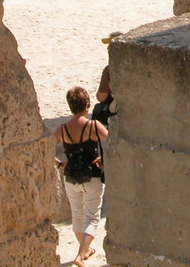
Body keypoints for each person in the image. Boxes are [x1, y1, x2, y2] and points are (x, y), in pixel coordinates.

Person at [56, 86, 108, 267]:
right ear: (87, 105)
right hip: (92, 175)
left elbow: (45, 148)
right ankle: (81, 254)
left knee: (77, 214)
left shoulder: (62, 129)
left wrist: (60, 163)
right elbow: (112, 141)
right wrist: (104, 158)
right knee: (92, 216)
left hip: (71, 178)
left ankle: (85, 248)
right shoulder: (93, 126)